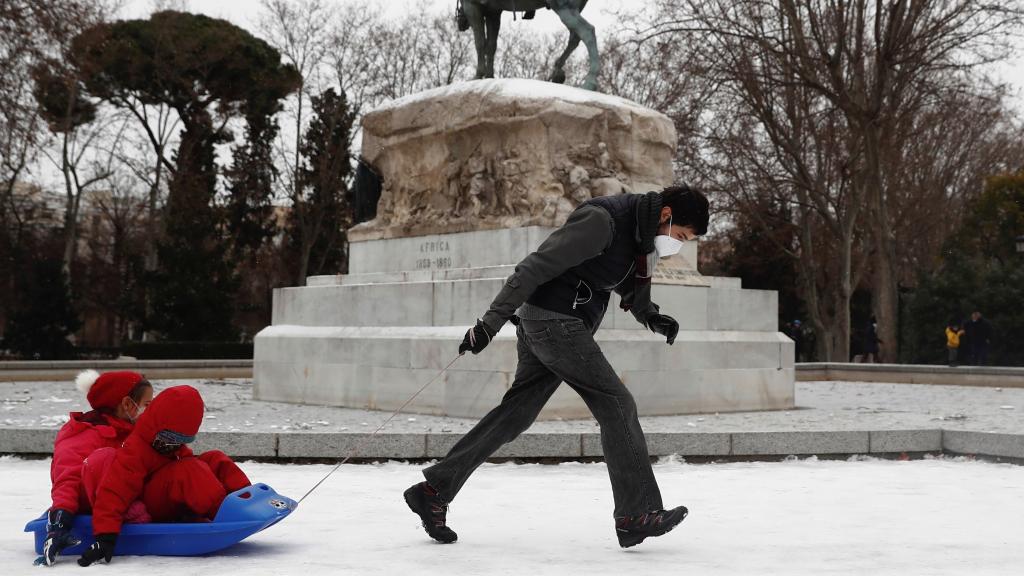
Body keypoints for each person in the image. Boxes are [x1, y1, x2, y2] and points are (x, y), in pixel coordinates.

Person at [404, 185, 710, 548]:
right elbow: (533, 267)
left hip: (553, 322)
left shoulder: (642, 237)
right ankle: (636, 514)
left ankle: (433, 490)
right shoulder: (604, 221)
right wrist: (489, 324)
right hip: (555, 322)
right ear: (666, 215)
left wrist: (651, 316)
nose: (677, 244)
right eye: (680, 236)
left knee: (515, 414)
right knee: (617, 404)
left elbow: (630, 282)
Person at [77, 385, 251, 566]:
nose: (173, 445)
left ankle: (247, 497)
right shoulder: (136, 450)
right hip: (150, 504)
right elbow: (114, 490)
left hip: (169, 489)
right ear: (156, 425)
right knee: (189, 470)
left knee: (214, 458)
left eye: (182, 441)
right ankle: (222, 513)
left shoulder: (172, 446)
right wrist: (105, 536)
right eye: (170, 438)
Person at [40, 371, 153, 566]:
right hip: (95, 500)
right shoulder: (85, 434)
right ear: (127, 404)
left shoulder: (132, 430)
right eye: (147, 405)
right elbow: (68, 477)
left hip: (122, 494)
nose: (150, 411)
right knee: (106, 459)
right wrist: (60, 520)